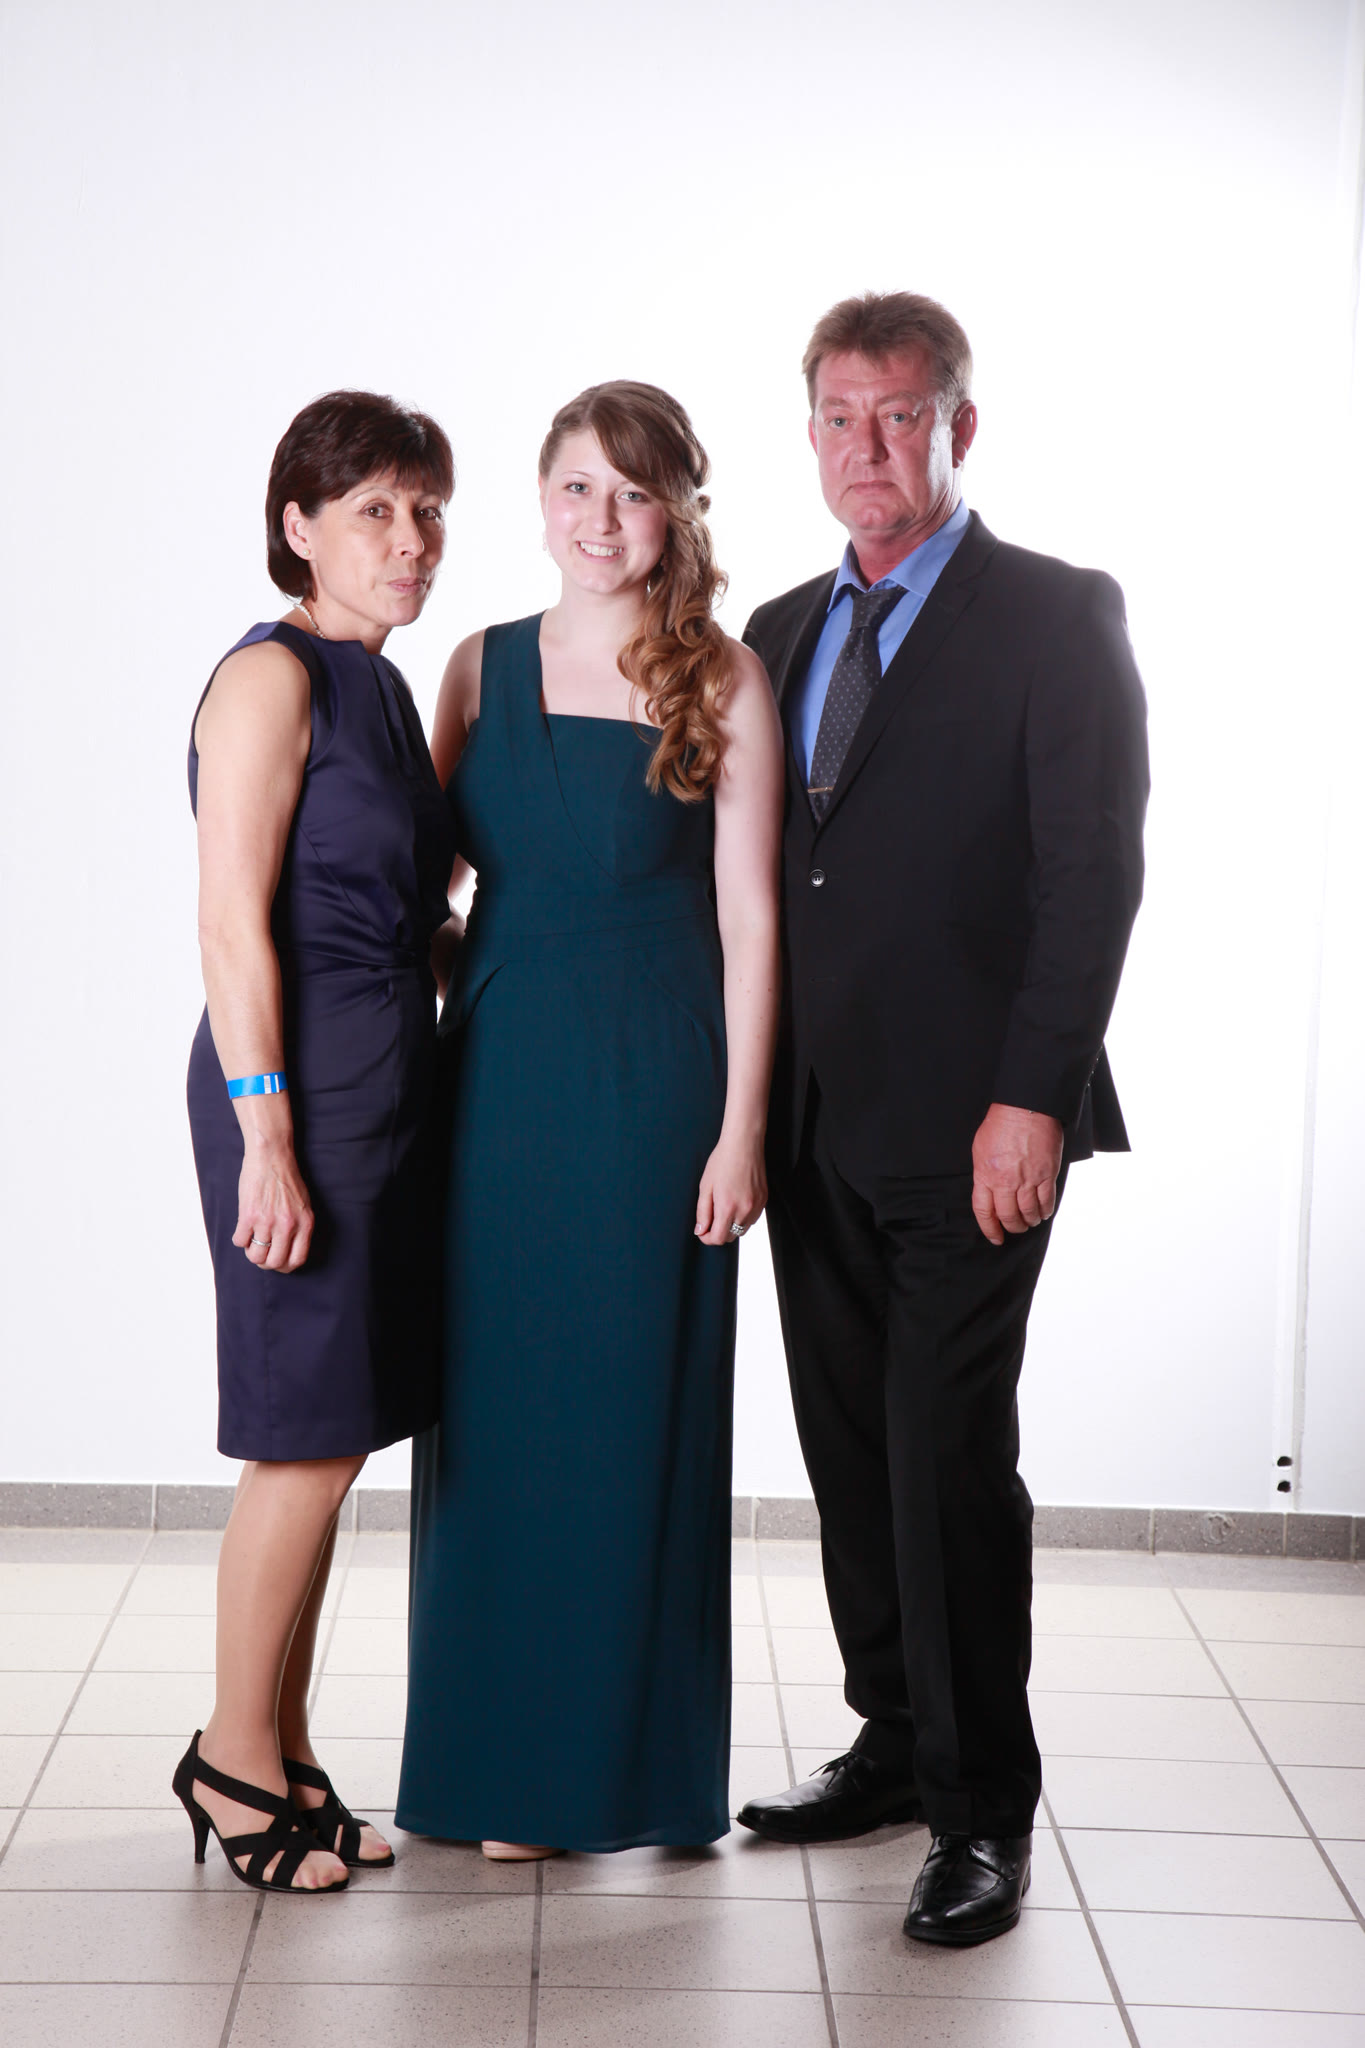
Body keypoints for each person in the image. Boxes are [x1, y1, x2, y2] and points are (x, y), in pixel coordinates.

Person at [735, 294, 1149, 1946]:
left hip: (976, 1126)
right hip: (808, 1117)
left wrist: (1028, 1097)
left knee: (945, 1454)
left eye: (899, 415)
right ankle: (895, 1740)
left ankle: (981, 1814)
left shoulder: (1053, 613)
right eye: (839, 417)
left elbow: (1091, 874)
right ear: (809, 434)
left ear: (957, 427)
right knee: (849, 1446)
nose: (867, 446)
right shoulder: (776, 628)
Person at [396, 380, 783, 1858]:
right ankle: (499, 1767)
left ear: (675, 510)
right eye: (577, 487)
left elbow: (751, 923)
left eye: (632, 492)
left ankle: (619, 1778)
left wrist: (741, 1128)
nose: (601, 520)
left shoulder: (723, 678)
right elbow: (421, 890)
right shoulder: (476, 669)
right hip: (500, 1082)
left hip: (655, 1083)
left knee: (630, 1415)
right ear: (541, 499)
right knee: (499, 1415)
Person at [176, 391, 457, 1894]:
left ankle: (281, 1749)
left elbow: (407, 909)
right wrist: (266, 1138)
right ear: (298, 526)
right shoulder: (268, 678)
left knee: (336, 1432)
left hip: (384, 1086)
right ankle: (230, 1759)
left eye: (426, 513)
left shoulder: (382, 688)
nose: (410, 541)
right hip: (293, 1094)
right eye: (374, 512)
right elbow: (232, 923)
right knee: (304, 1437)